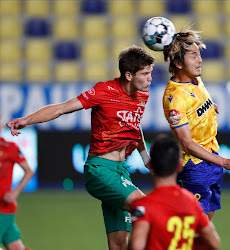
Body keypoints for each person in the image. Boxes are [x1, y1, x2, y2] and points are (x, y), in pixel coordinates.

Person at [7, 45, 155, 250]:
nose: (150, 78)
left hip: (121, 172)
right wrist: (27, 120)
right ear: (129, 75)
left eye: (150, 73)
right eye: (145, 73)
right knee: (147, 208)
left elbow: (133, 125)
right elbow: (61, 109)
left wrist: (145, 157)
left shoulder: (142, 95)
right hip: (100, 170)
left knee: (119, 244)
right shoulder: (105, 90)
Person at [162, 29, 230, 220]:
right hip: (194, 167)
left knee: (205, 225)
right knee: (193, 230)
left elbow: (198, 100)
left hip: (211, 158)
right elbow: (187, 144)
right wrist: (224, 162)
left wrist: (209, 107)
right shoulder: (175, 99)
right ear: (177, 62)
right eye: (193, 55)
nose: (200, 60)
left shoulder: (195, 79)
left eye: (199, 54)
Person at [129, 136, 220, 250]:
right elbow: (214, 243)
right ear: (179, 166)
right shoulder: (191, 202)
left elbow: (136, 246)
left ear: (151, 165)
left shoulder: (143, 205)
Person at [0, 115, 34, 250]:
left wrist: (15, 192)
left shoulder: (8, 147)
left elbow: (29, 171)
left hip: (3, 207)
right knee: (16, 247)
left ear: (1, 126)